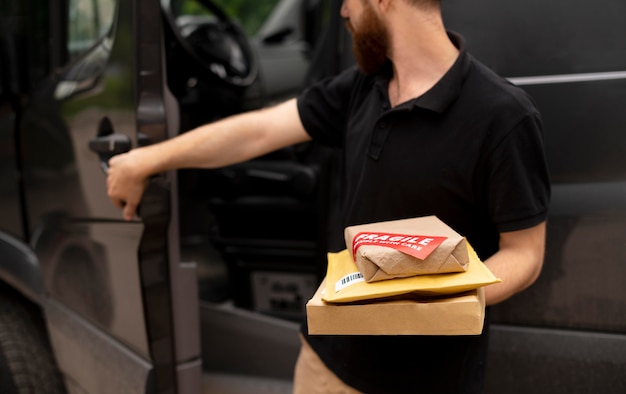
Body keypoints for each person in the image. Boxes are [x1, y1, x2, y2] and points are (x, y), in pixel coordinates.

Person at [107, 0, 550, 392]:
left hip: (427, 381)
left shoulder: (502, 116)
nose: (342, 11)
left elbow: (525, 253)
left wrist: (442, 300)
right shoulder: (364, 86)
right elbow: (257, 131)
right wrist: (146, 160)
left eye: (347, 0)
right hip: (325, 364)